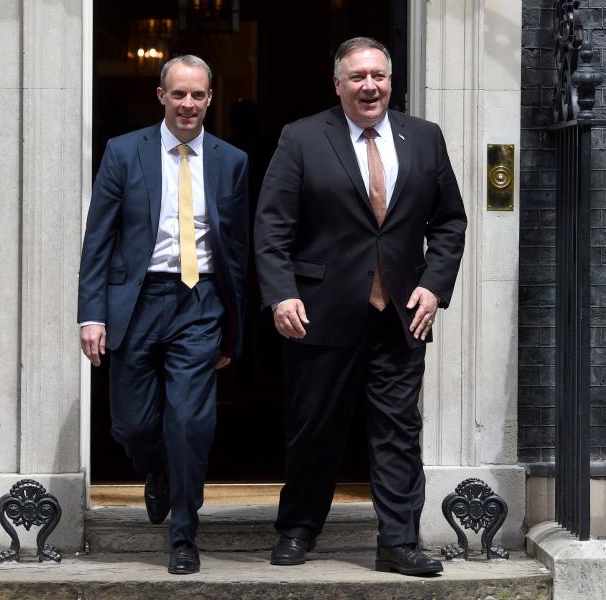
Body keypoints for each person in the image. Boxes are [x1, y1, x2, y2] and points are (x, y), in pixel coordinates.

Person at [254, 37, 466, 577]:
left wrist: (434, 286)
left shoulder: (423, 137)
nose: (369, 86)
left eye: (378, 76)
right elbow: (272, 228)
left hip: (399, 315)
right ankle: (299, 528)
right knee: (314, 429)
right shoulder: (301, 138)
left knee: (398, 431)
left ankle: (398, 541)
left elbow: (449, 223)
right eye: (357, 77)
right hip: (319, 313)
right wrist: (281, 293)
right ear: (338, 84)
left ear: (390, 81)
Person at [78, 55, 249, 575]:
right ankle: (158, 472)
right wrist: (91, 314)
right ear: (161, 96)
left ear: (210, 98)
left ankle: (183, 535)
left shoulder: (232, 160)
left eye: (198, 95)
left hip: (201, 302)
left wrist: (233, 329)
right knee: (132, 425)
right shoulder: (124, 152)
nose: (188, 104)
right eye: (179, 94)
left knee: (190, 422)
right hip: (138, 300)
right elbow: (98, 238)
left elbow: (238, 250)